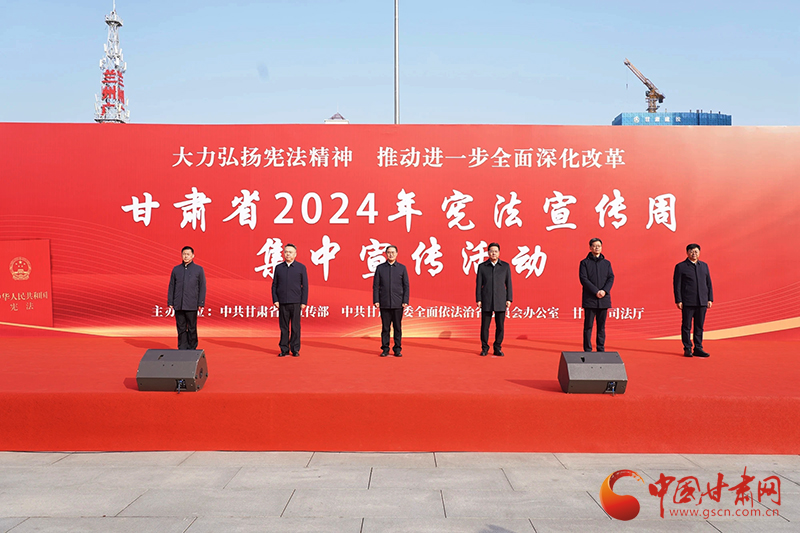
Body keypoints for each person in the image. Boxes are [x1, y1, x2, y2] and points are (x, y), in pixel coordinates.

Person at [673, 243, 713, 358]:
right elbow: (677, 285)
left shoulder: (704, 266)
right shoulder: (681, 266)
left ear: (699, 252)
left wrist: (710, 298)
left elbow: (708, 283)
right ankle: (687, 348)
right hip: (688, 301)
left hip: (702, 301)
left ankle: (698, 348)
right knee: (686, 326)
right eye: (691, 251)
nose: (693, 253)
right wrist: (678, 300)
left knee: (699, 326)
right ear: (687, 253)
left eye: (696, 251)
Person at [476, 242, 512, 356]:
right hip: (486, 299)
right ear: (488, 253)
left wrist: (509, 299)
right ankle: (484, 348)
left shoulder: (505, 266)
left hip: (501, 300)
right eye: (491, 251)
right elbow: (478, 284)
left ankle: (497, 348)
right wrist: (478, 299)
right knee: (485, 326)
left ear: (499, 253)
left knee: (500, 326)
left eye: (496, 251)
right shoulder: (482, 266)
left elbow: (509, 284)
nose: (493, 253)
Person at [272, 243, 308, 357]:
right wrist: (275, 300)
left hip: (296, 302)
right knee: (284, 327)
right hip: (282, 302)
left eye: (290, 252)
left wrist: (303, 301)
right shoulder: (279, 268)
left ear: (295, 254)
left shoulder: (301, 267)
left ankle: (295, 349)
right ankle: (284, 349)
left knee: (295, 327)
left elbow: (305, 286)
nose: (288, 254)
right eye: (286, 252)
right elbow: (274, 285)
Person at [373, 245, 409, 357]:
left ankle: (397, 349)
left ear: (397, 253)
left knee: (397, 327)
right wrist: (376, 300)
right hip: (384, 302)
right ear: (385, 254)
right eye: (389, 252)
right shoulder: (380, 268)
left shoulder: (402, 268)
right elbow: (376, 286)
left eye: (393, 252)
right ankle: (385, 349)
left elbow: (406, 286)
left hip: (398, 303)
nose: (391, 254)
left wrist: (405, 300)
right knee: (385, 328)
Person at [579, 238, 615, 352]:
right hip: (590, 299)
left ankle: (600, 348)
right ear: (590, 247)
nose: (597, 248)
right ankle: (588, 349)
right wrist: (596, 291)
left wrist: (604, 291)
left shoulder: (607, 263)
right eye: (594, 246)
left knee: (601, 327)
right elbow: (584, 279)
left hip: (603, 299)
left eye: (599, 246)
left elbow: (611, 278)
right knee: (588, 326)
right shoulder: (584, 263)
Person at [167, 246, 206, 350]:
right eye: (184, 254)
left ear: (193, 256)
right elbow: (171, 286)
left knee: (192, 327)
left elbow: (202, 286)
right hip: (179, 303)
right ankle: (182, 347)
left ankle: (192, 347)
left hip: (192, 303)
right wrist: (170, 301)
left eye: (188, 254)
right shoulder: (176, 269)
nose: (186, 256)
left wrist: (201, 303)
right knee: (181, 327)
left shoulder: (198, 269)